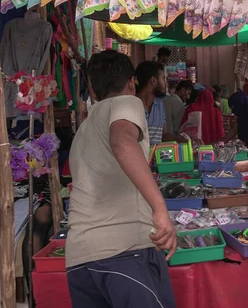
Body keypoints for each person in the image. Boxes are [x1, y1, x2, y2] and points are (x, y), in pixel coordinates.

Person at [65, 50, 176, 308]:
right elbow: (122, 141)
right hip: (125, 253)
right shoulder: (127, 102)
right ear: (131, 83)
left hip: (81, 259)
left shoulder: (85, 129)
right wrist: (160, 209)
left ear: (92, 90)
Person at [135, 61, 185, 145]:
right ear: (154, 80)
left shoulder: (159, 104)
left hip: (156, 157)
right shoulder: (132, 105)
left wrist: (182, 141)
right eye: (163, 78)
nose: (166, 83)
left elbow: (164, 135)